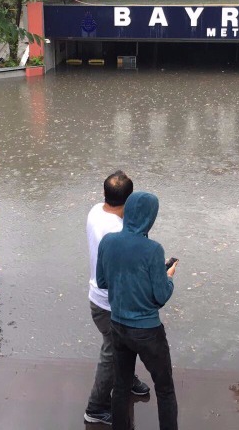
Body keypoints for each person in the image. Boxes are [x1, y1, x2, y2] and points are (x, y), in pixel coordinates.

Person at [97, 192, 179, 430]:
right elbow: (161, 295)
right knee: (164, 389)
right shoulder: (153, 249)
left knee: (121, 386)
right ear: (150, 217)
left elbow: (103, 281)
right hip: (148, 332)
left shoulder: (108, 242)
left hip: (118, 327)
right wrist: (169, 277)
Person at [84, 171, 150, 426]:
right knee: (111, 353)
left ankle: (127, 379)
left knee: (123, 346)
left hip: (98, 298)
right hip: (112, 304)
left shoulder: (94, 212)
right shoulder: (122, 232)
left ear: (104, 195)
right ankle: (96, 407)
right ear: (130, 200)